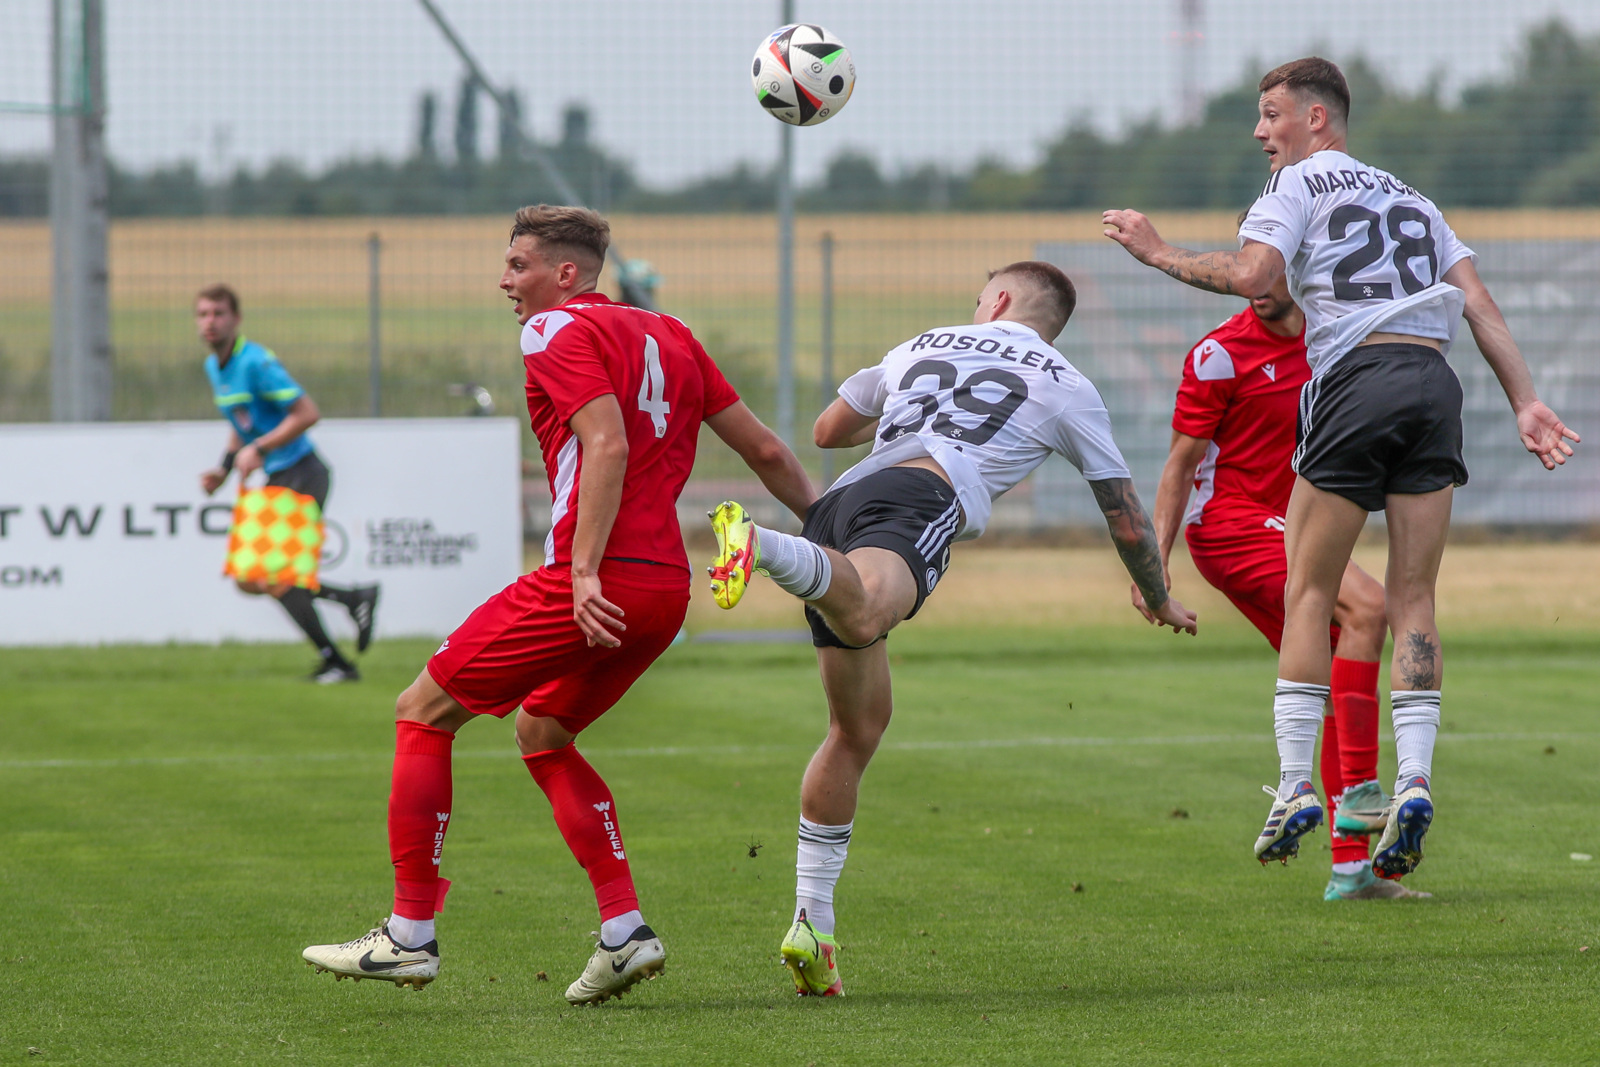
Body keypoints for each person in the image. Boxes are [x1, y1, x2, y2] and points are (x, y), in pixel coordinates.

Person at [300, 205, 815, 1004]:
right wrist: (827, 529)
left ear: (564, 274)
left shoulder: (551, 331)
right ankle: (624, 931)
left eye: (518, 264)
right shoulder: (673, 334)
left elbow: (605, 442)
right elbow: (768, 450)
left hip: (596, 582)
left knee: (422, 710)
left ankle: (408, 934)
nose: (505, 281)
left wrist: (579, 575)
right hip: (662, 592)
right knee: (541, 731)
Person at [1103, 57, 1578, 878]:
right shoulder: (1417, 201)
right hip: (1435, 380)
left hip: (1356, 376)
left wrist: (1157, 251)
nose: (1261, 133)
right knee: (1414, 595)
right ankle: (1415, 778)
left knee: (1310, 589)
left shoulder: (1296, 187)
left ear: (1316, 119)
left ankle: (1294, 786)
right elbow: (1479, 304)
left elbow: (1255, 275)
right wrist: (1526, 401)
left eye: (1270, 114)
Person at [706, 261, 1198, 997]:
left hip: (841, 506)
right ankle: (762, 544)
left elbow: (829, 430)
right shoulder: (1067, 383)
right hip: (920, 495)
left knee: (858, 726)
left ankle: (812, 923)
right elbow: (1124, 510)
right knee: (872, 607)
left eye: (981, 296)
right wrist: (1157, 593)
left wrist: (913, 405)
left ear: (997, 301)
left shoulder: (923, 342)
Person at [1143, 269, 1426, 901]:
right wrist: (1153, 565)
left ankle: (1352, 871)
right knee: (1369, 608)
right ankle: (1353, 797)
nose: (1256, 282)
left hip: (1295, 522)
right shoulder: (1219, 355)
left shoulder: (1337, 341)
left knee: (1323, 676)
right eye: (1248, 265)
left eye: (1272, 267)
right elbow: (1178, 466)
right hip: (1231, 525)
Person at [196, 284, 379, 683]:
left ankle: (338, 662)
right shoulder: (216, 367)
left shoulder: (255, 362)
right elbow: (239, 425)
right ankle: (352, 600)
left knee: (273, 577)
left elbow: (307, 412)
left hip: (303, 472)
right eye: (203, 314)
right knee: (250, 578)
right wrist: (223, 469)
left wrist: (258, 448)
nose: (210, 322)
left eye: (218, 313)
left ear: (236, 319)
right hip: (281, 475)